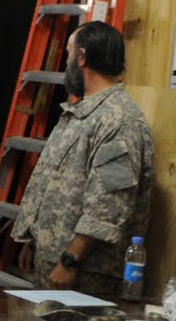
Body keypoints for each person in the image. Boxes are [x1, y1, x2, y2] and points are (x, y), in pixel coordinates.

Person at [13, 21, 155, 300]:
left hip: (84, 273)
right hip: (54, 261)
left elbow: (109, 205)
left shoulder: (120, 120)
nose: (66, 63)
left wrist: (70, 260)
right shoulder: (81, 112)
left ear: (81, 57)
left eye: (68, 54)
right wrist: (33, 238)